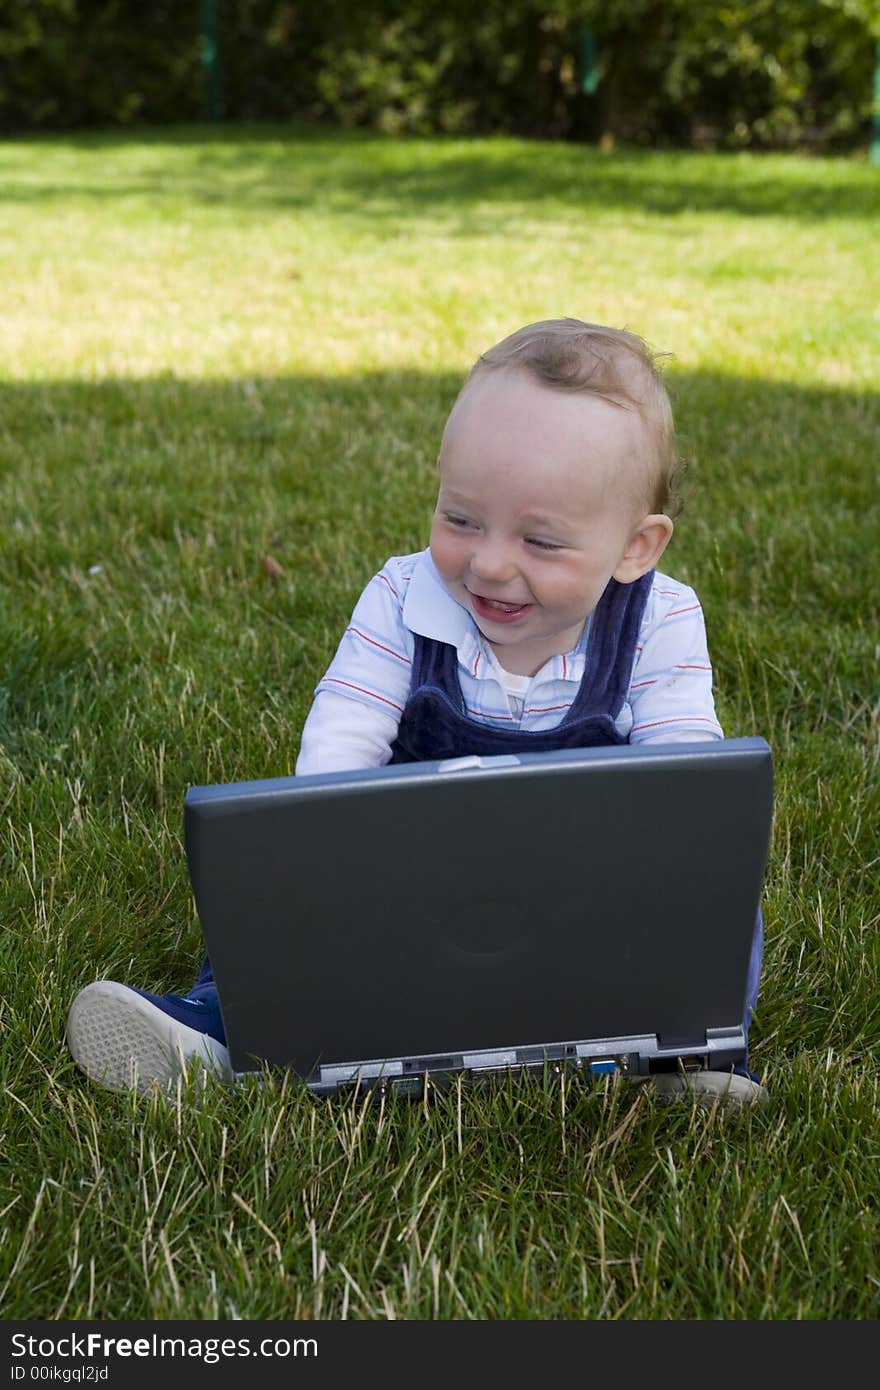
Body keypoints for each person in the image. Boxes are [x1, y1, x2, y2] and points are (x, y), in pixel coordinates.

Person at [66, 319, 765, 1107]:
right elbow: (339, 749)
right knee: (278, 887)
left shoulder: (661, 620)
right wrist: (319, 862)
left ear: (637, 547)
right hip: (409, 880)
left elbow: (686, 791)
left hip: (589, 892)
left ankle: (677, 1051)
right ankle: (218, 1030)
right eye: (461, 520)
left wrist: (660, 878)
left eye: (541, 541)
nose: (489, 563)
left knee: (718, 903)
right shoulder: (403, 597)